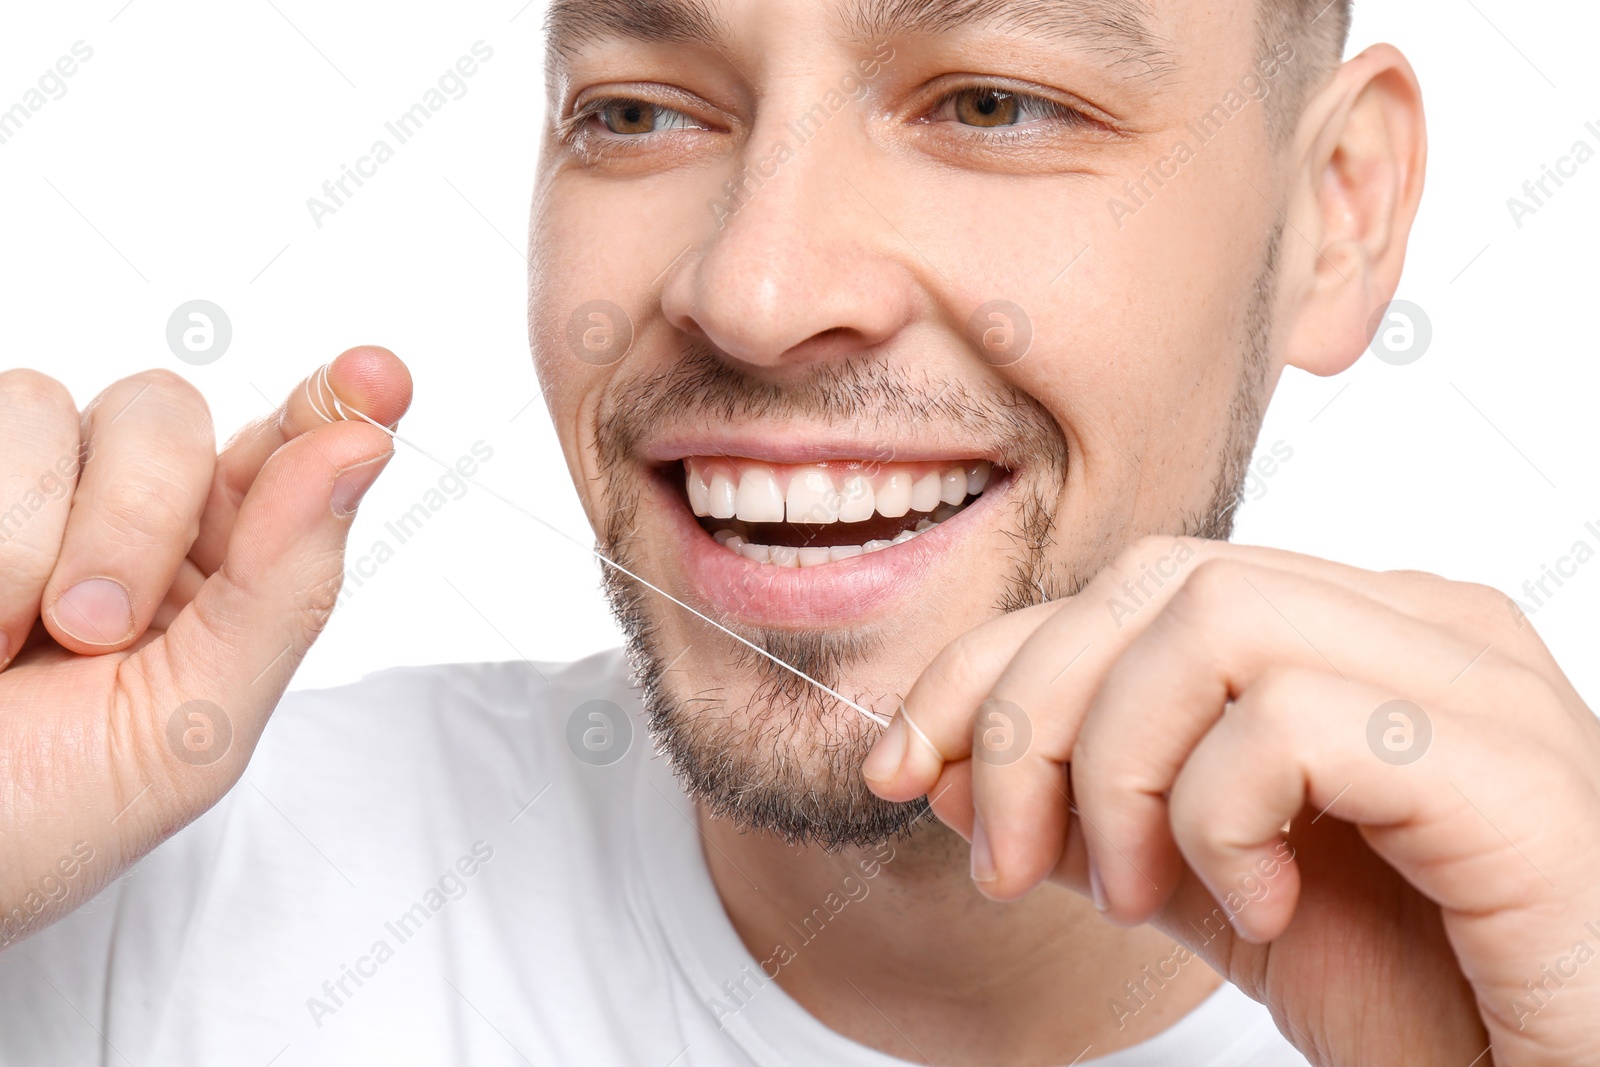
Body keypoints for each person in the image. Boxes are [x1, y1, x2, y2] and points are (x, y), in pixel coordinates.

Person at [1, 0, 1596, 1063]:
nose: (755, 294)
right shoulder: (134, 902)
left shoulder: (1548, 968)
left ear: (1338, 210)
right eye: (635, 112)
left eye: (995, 101)